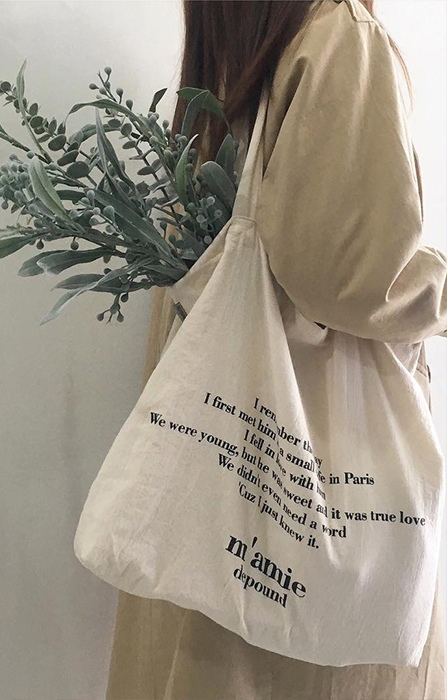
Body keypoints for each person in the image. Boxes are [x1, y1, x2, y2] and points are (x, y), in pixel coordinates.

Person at [105, 0, 447, 698]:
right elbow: (352, 276)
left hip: (220, 459)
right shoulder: (339, 37)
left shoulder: (233, 42)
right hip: (302, 486)